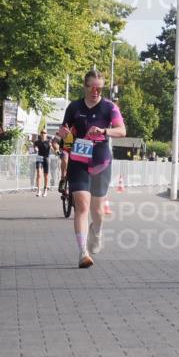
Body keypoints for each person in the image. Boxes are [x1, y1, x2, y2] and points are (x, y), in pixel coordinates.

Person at [52, 70, 126, 268]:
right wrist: (57, 139)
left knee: (98, 210)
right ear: (84, 86)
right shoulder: (74, 107)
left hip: (101, 162)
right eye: (92, 87)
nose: (95, 91)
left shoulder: (109, 107)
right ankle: (82, 252)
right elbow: (64, 128)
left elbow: (122, 130)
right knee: (82, 206)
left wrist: (104, 131)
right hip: (79, 160)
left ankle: (98, 231)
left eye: (99, 88)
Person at [32, 130, 52, 196]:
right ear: (40, 134)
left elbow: (53, 149)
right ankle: (38, 190)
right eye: (42, 133)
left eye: (44, 133)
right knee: (39, 173)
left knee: (46, 175)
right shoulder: (37, 141)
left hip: (46, 158)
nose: (43, 134)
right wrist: (35, 149)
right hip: (39, 157)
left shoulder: (49, 141)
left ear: (46, 134)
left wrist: (52, 148)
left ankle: (45, 190)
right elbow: (34, 146)